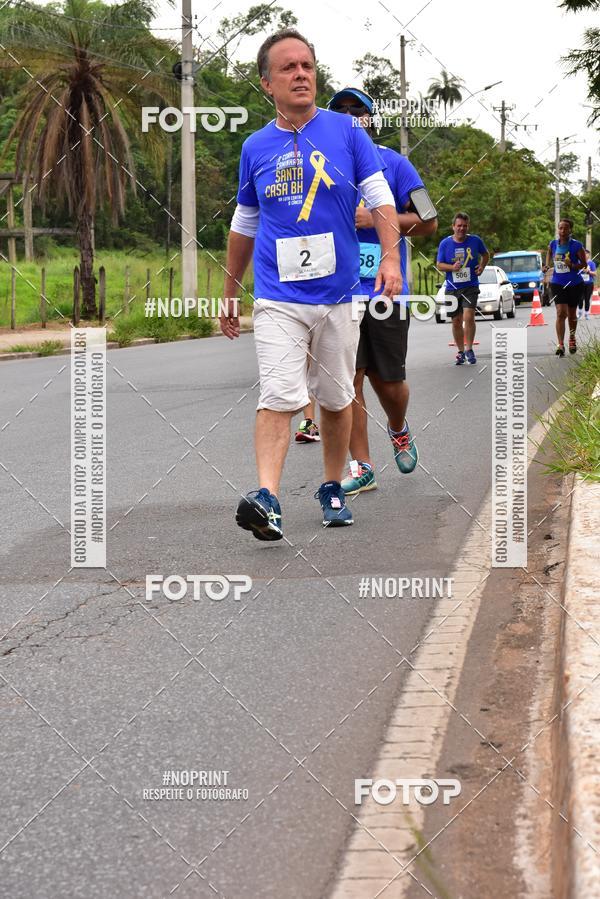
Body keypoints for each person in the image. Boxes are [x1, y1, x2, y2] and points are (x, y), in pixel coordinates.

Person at [219, 29, 401, 539]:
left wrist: (390, 259)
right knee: (278, 394)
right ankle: (268, 499)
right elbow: (245, 224)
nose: (301, 74)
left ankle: (331, 485)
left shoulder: (346, 132)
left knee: (337, 398)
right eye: (288, 68)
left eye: (307, 66)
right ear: (266, 84)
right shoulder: (255, 146)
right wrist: (230, 294)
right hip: (277, 297)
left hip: (340, 296)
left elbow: (380, 196)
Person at [327, 87, 438, 496]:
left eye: (359, 110)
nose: (351, 115)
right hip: (338, 291)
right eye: (341, 110)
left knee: (388, 382)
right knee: (348, 379)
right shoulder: (322, 164)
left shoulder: (395, 163)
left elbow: (428, 220)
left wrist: (374, 219)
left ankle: (398, 427)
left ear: (372, 119)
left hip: (388, 289)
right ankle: (363, 465)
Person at [436, 213, 489, 365]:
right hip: (452, 288)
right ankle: (460, 351)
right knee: (456, 321)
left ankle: (469, 348)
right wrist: (452, 268)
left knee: (468, 316)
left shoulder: (475, 241)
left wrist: (482, 266)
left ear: (468, 226)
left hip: (470, 286)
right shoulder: (445, 244)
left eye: (464, 226)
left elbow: (486, 255)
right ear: (453, 226)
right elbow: (439, 264)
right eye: (459, 225)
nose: (461, 228)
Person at [544, 218, 586, 355]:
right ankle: (560, 344)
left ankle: (572, 338)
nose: (562, 231)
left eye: (565, 228)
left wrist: (572, 265)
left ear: (570, 230)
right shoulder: (553, 243)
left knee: (572, 315)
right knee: (561, 313)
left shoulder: (576, 245)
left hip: (575, 283)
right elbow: (549, 251)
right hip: (557, 283)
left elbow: (584, 264)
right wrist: (546, 264)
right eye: (560, 228)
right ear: (558, 229)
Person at [578, 250, 597, 320]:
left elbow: (595, 274)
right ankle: (579, 313)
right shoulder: (579, 262)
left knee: (587, 298)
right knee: (580, 298)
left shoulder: (591, 263)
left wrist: (588, 271)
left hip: (589, 283)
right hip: (580, 283)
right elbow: (575, 272)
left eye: (586, 254)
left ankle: (586, 314)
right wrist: (581, 270)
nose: (585, 255)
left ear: (589, 255)